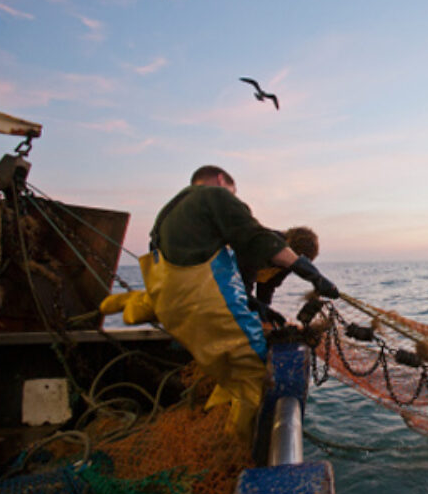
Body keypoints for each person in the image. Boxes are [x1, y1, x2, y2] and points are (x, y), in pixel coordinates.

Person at [141, 165, 338, 441]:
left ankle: (226, 406)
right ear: (222, 180)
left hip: (173, 303)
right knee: (254, 372)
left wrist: (264, 312)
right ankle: (237, 441)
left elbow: (265, 292)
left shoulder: (169, 213)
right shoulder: (219, 200)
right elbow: (246, 263)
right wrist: (307, 272)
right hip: (213, 299)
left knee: (234, 361)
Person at [240, 226, 321, 327]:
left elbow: (267, 287)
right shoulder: (264, 244)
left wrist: (266, 313)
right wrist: (260, 308)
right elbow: (241, 290)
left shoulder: (289, 263)